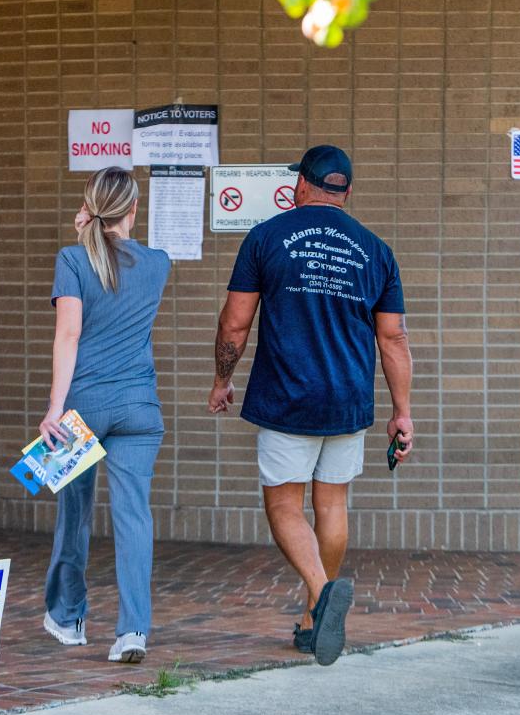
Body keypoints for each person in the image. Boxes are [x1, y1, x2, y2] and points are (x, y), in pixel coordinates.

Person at [207, 145, 414, 667]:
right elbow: (393, 340)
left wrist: (222, 379)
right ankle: (308, 621)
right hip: (348, 399)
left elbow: (235, 323)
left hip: (287, 397)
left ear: (301, 184)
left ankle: (321, 595)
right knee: (333, 506)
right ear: (347, 192)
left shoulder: (266, 238)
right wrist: (402, 412)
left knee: (283, 505)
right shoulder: (376, 250)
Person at [39, 166, 171, 664]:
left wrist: (55, 408)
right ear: (134, 209)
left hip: (84, 407)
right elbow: (120, 262)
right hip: (140, 408)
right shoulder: (159, 262)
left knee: (74, 513)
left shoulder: (72, 258)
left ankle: (69, 618)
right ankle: (133, 631)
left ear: (88, 207)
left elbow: (68, 335)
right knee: (134, 515)